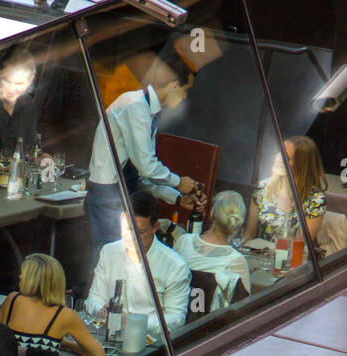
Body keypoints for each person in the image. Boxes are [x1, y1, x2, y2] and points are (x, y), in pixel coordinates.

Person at [85, 53, 199, 266]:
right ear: (174, 85)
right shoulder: (135, 105)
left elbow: (141, 177)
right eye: (186, 90)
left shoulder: (148, 111)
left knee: (121, 262)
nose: (185, 97)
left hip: (122, 193)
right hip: (108, 196)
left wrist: (176, 198)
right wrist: (178, 182)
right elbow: (147, 167)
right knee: (108, 264)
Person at [0, 253, 104, 356]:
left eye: (24, 273)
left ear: (35, 280)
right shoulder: (65, 315)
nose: (20, 276)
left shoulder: (12, 300)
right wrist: (67, 345)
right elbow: (98, 355)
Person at [86, 191, 191, 337]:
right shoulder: (108, 252)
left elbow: (176, 319)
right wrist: (101, 311)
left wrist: (131, 322)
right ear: (122, 219)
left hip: (148, 344)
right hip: (107, 335)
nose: (132, 238)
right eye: (128, 229)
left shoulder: (175, 266)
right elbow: (94, 299)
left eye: (140, 232)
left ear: (155, 228)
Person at [173, 190, 250, 311]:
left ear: (212, 213)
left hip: (178, 316)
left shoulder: (183, 241)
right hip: (210, 325)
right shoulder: (237, 261)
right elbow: (243, 310)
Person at [246, 135, 326, 245]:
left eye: (287, 158)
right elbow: (249, 236)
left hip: (293, 259)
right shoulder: (262, 188)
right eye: (279, 152)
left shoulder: (315, 199)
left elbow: (300, 247)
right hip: (259, 257)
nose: (279, 158)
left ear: (301, 165)